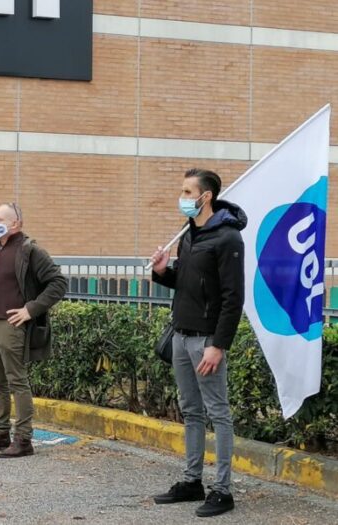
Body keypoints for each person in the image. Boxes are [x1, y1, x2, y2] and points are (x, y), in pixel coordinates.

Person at [150, 168, 245, 518]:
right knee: (190, 411)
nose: (183, 198)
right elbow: (189, 285)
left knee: (217, 413)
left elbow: (233, 298)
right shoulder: (190, 235)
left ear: (205, 197)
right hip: (181, 335)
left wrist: (218, 345)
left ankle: (223, 489)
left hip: (206, 340)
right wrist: (162, 271)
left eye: (188, 192)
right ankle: (193, 481)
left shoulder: (228, 239)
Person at [0, 202, 67, 458]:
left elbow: (58, 283)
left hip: (11, 325)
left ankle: (23, 439)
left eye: (0, 218)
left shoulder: (30, 251)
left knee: (17, 381)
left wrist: (30, 309)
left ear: (15, 224)